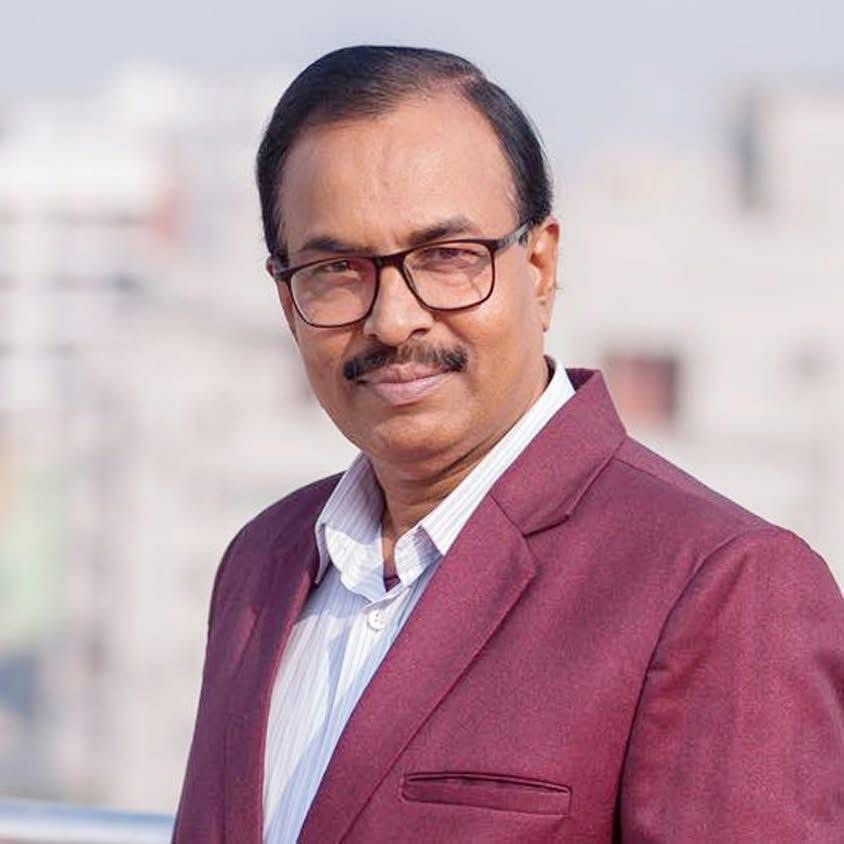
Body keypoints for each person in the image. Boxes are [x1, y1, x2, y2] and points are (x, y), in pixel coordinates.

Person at [172, 46, 844, 843]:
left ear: (541, 267)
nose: (394, 319)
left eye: (447, 258)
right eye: (337, 268)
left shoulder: (721, 584)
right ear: (288, 302)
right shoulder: (263, 562)